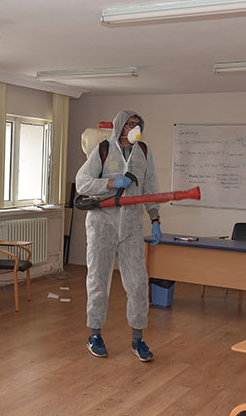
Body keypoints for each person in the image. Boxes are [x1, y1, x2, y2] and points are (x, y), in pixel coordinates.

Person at [75, 110, 162, 362]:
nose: (135, 128)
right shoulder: (103, 150)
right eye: (130, 124)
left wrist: (155, 219)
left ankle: (138, 339)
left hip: (131, 226)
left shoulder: (143, 152)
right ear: (120, 126)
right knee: (98, 281)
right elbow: (82, 182)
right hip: (102, 224)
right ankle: (94, 335)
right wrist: (111, 184)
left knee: (138, 283)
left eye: (138, 124)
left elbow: (151, 187)